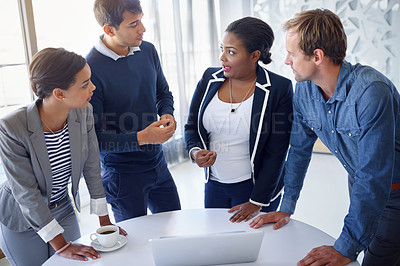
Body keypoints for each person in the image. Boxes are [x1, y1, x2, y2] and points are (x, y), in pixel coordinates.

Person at [249, 8, 400, 266]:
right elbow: (298, 150)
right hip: (361, 187)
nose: (286, 61)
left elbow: (373, 176)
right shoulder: (305, 90)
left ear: (317, 56)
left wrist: (345, 248)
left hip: (393, 193)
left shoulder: (371, 92)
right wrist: (286, 207)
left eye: (292, 53)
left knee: (375, 259)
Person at [0, 48, 126, 266]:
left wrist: (106, 224)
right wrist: (63, 246)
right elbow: (26, 193)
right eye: (85, 84)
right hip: (22, 217)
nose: (93, 87)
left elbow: (92, 167)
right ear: (59, 93)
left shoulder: (83, 111)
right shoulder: (11, 127)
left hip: (63, 208)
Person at [184, 17, 293, 222]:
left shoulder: (279, 88)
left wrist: (257, 200)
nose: (222, 57)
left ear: (254, 55)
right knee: (217, 243)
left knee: (254, 249)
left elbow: (276, 152)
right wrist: (195, 152)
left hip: (254, 187)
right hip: (214, 184)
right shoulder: (209, 79)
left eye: (231, 52)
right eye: (222, 49)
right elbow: (191, 127)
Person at [86, 0, 181, 223]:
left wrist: (167, 114)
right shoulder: (89, 70)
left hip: (158, 163)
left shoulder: (147, 50)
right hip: (122, 175)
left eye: (141, 20)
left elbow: (163, 93)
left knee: (175, 227)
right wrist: (143, 137)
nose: (143, 29)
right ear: (109, 29)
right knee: (134, 246)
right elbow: (94, 139)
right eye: (134, 24)